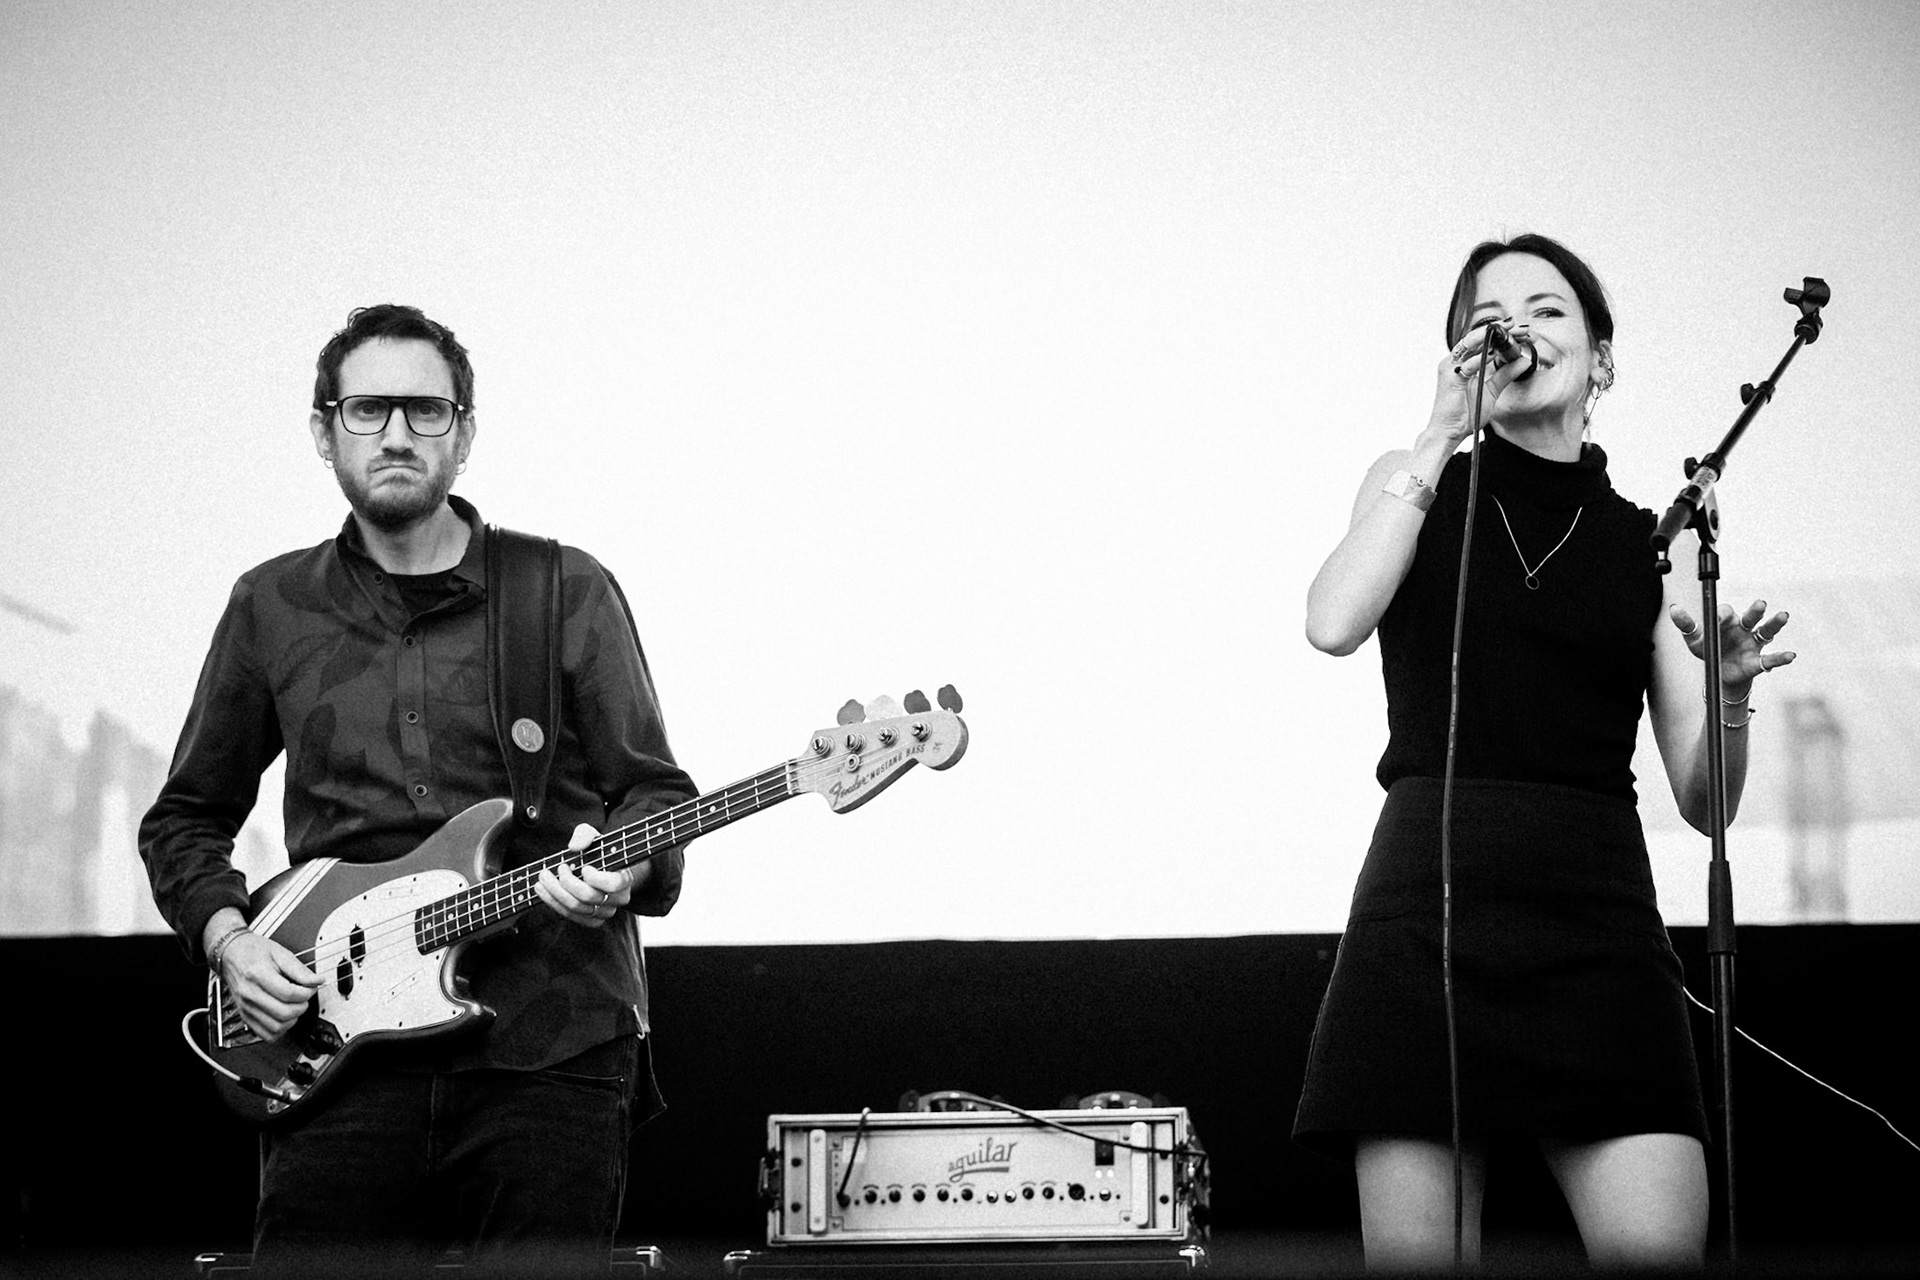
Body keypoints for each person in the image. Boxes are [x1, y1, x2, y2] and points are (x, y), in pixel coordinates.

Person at [139, 304, 698, 1276]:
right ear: (326, 430)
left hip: (549, 1049)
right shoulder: (271, 606)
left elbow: (652, 793)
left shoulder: (563, 590)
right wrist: (230, 939)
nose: (396, 433)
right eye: (368, 408)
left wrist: (623, 863)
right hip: (336, 1059)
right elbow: (186, 816)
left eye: (425, 410)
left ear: (464, 431)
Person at [1293, 234, 1796, 1271]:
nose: (1520, 327)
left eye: (1551, 308)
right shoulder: (1413, 482)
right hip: (1426, 904)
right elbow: (1334, 620)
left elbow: (1705, 799)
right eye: (1493, 313)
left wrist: (1731, 695)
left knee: (1656, 1250)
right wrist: (1439, 435)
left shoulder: (1649, 545)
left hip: (1596, 921)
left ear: (1600, 360)